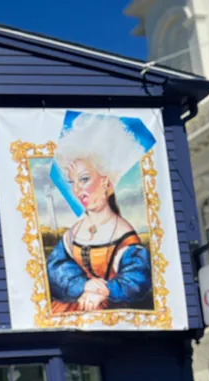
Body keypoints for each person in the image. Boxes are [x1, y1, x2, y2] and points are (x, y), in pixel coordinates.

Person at [45, 112, 154, 313]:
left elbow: (137, 280)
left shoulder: (124, 236)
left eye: (84, 179)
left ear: (106, 181)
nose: (77, 189)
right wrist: (83, 285)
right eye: (73, 182)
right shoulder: (73, 234)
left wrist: (105, 291)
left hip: (109, 317)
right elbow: (55, 269)